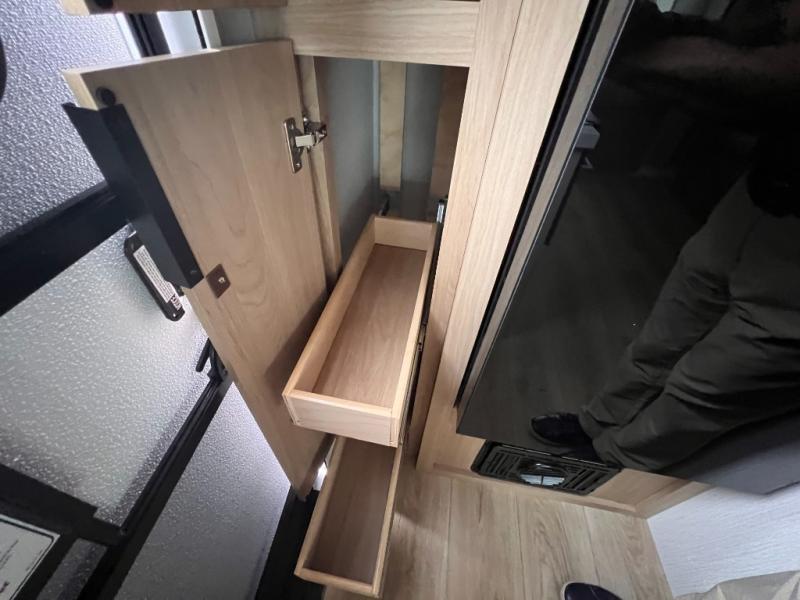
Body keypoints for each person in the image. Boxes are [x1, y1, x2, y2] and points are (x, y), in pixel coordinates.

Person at [531, 129, 800, 471]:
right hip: (770, 179)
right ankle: (599, 421)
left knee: (720, 377)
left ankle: (618, 458)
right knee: (670, 328)